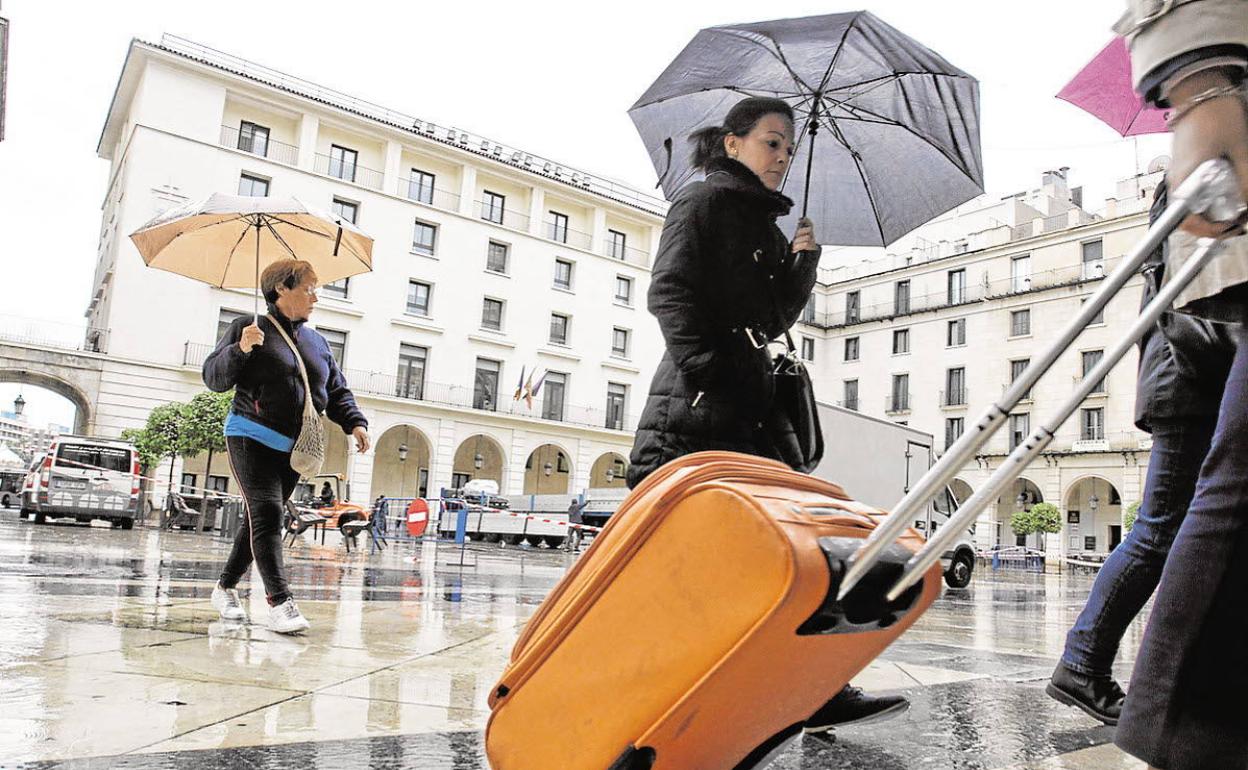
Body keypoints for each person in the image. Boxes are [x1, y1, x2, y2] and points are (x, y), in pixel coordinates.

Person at [627, 96, 907, 735]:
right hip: (700, 410)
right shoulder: (700, 205)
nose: (782, 157)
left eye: (788, 147)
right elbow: (669, 291)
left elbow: (773, 321)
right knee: (704, 565)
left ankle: (809, 686)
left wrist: (802, 263)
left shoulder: (764, 225)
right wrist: (713, 371)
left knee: (785, 552)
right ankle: (663, 697)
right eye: (771, 142)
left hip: (752, 408)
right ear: (733, 143)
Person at [1113, 3, 1248, 767]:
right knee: (1177, 516)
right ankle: (1179, 731)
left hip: (1183, 371)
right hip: (1180, 377)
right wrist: (1198, 80)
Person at [1047, 184, 1233, 725]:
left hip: (1189, 380)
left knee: (1171, 532)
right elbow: (1190, 292)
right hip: (1189, 382)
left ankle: (1099, 665)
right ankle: (1083, 663)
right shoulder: (1200, 175)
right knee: (1159, 532)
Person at [203, 259, 370, 634]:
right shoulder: (247, 328)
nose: (316, 295)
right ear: (282, 288)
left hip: (295, 450)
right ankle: (280, 602)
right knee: (267, 513)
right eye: (309, 287)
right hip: (250, 435)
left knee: (258, 522)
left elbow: (336, 389)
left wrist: (355, 422)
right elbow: (213, 378)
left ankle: (225, 587)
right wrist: (241, 350)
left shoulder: (317, 342)